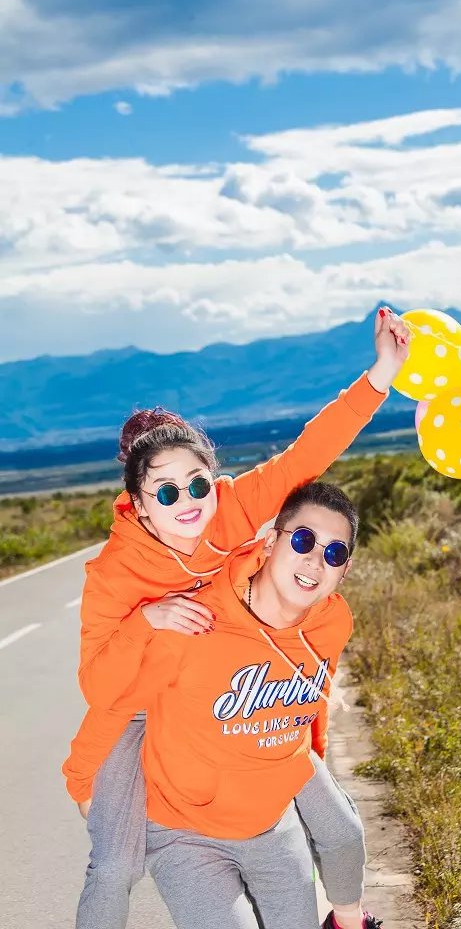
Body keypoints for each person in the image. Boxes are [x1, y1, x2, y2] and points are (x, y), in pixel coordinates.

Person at [63, 308, 408, 929]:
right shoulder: (115, 573)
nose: (187, 502)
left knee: (331, 819)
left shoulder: (230, 511)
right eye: (166, 492)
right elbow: (98, 685)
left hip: (221, 690)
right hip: (139, 706)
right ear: (139, 503)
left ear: (214, 479)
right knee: (114, 866)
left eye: (197, 484)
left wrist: (381, 373)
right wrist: (148, 621)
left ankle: (344, 912)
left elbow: (306, 456)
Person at [77, 482, 382, 929]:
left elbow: (313, 697)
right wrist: (80, 779)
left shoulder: (332, 622)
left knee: (341, 836)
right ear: (271, 541)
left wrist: (310, 759)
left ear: (345, 569)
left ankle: (346, 919)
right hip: (184, 836)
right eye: (303, 540)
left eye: (334, 553)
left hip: (273, 828)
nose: (315, 561)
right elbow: (117, 706)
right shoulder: (194, 625)